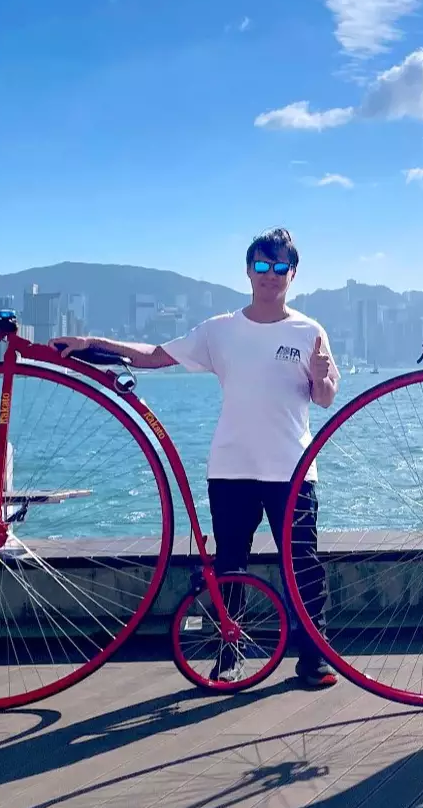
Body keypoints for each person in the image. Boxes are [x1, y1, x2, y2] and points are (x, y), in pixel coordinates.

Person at [53, 227, 340, 688]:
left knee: (302, 565)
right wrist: (92, 344)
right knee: (230, 565)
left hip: (293, 469)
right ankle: (230, 654)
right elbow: (154, 356)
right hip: (231, 467)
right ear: (248, 270)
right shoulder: (219, 330)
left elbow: (324, 398)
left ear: (293, 273)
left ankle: (314, 658)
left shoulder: (310, 331)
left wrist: (322, 377)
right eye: (262, 265)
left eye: (279, 266)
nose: (270, 274)